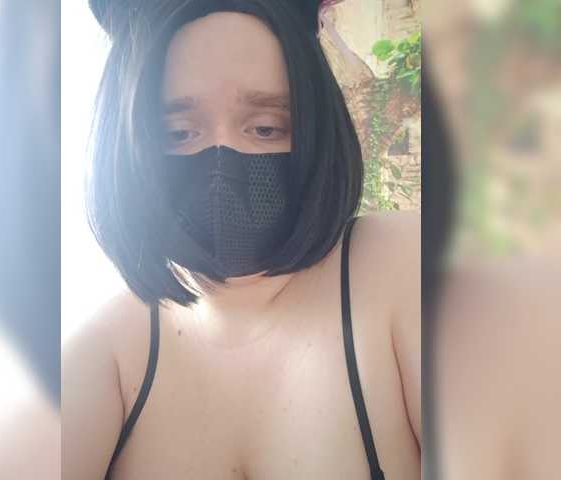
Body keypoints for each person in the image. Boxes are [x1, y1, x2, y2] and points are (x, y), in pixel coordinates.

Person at [63, 1, 420, 479]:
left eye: (266, 128)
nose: (221, 178)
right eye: (179, 133)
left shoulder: (401, 269)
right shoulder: (105, 352)